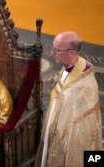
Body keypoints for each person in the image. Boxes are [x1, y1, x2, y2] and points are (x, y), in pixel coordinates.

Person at [35, 31, 102, 167]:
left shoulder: (85, 87)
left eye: (57, 50)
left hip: (68, 144)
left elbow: (84, 132)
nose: (52, 52)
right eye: (52, 48)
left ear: (71, 52)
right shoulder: (69, 68)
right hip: (53, 130)